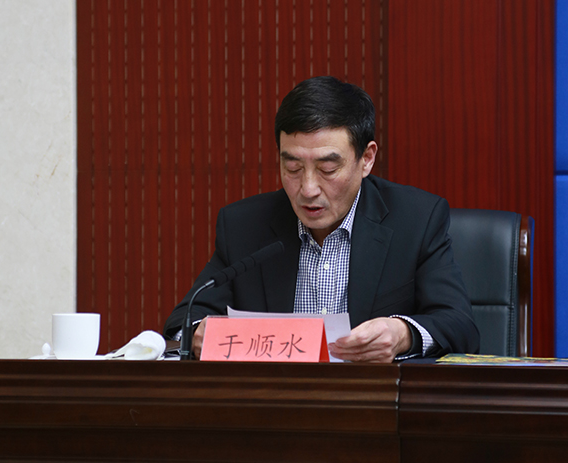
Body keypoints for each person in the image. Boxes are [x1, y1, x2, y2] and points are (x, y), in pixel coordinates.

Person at [163, 76, 479, 362]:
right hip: (272, 399)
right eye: (293, 168)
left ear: (366, 159)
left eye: (328, 169)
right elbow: (183, 321)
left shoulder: (416, 220)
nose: (308, 189)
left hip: (371, 399)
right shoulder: (244, 225)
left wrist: (402, 334)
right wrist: (200, 333)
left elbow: (460, 325)